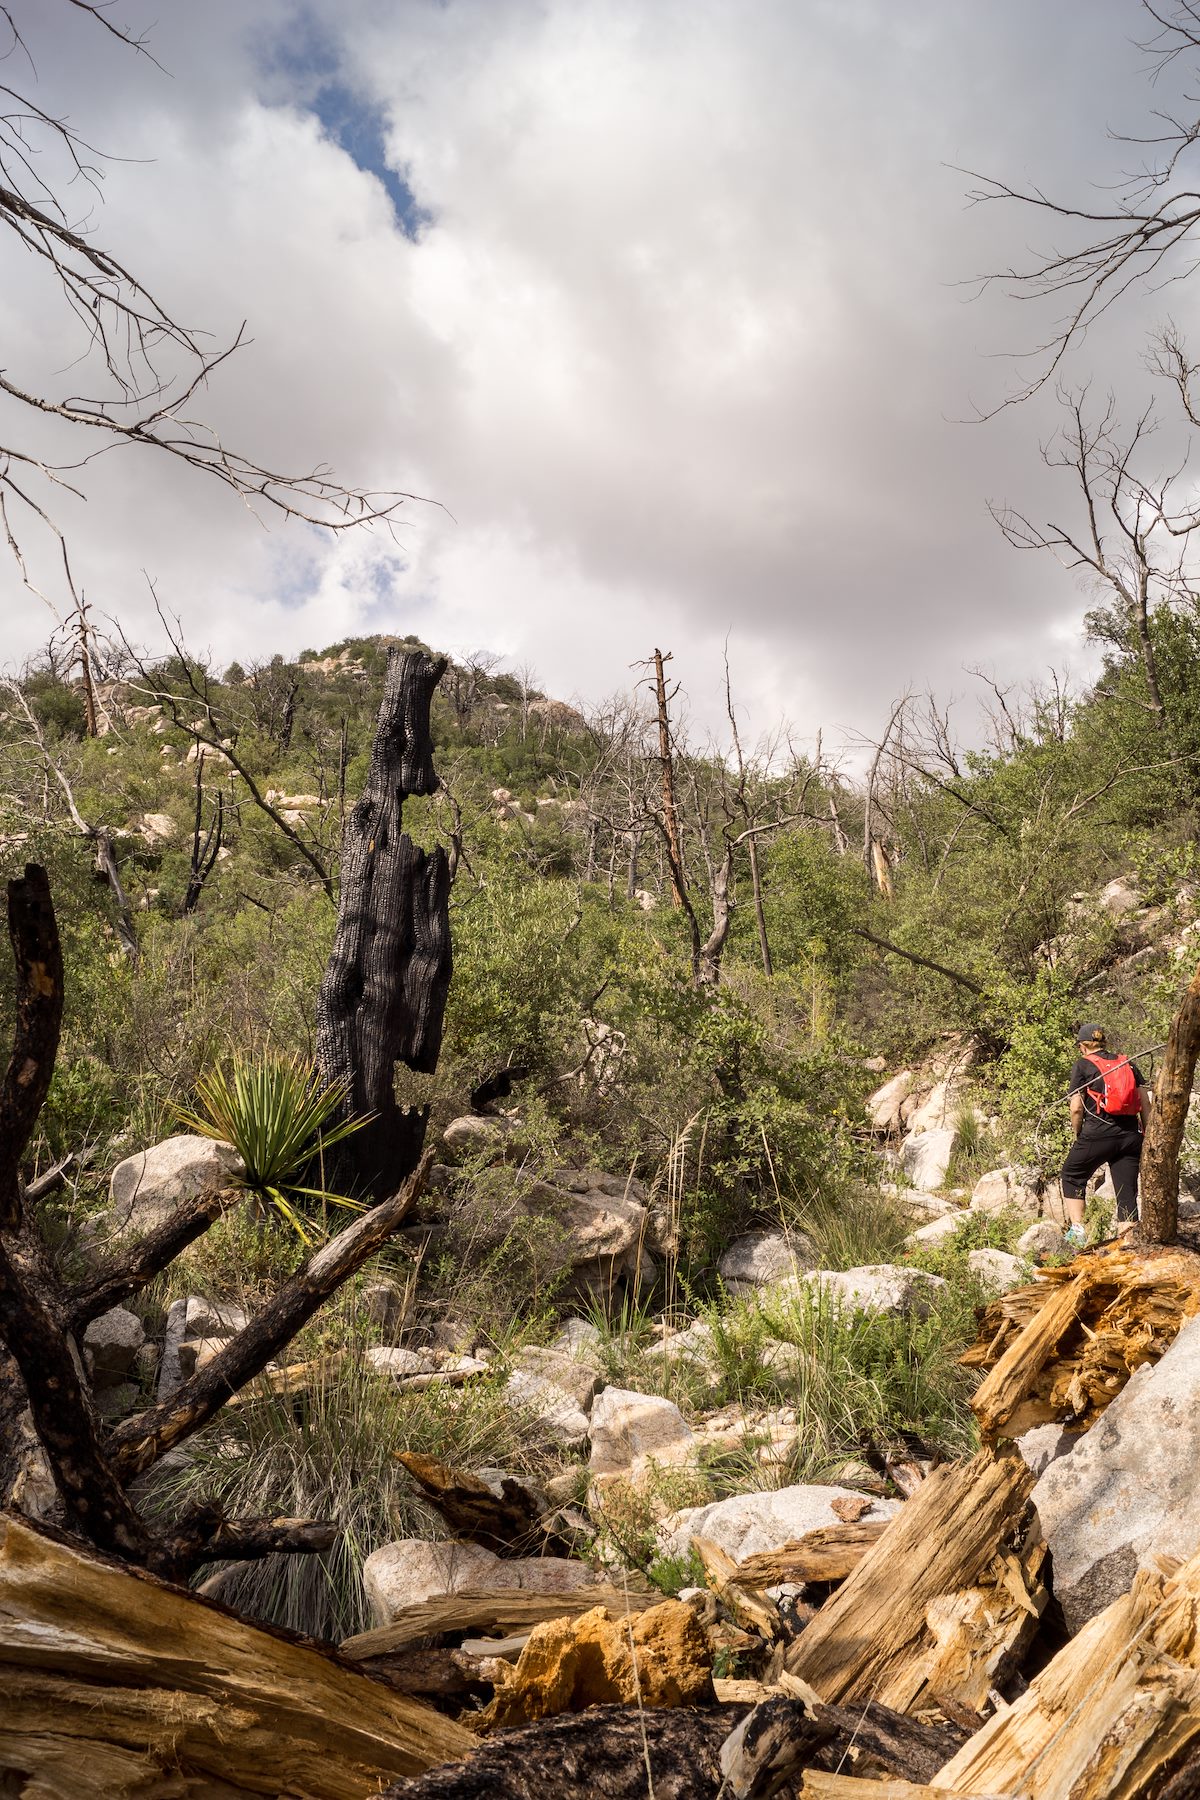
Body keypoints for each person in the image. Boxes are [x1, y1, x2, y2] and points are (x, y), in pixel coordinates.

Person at [1060, 1023, 1152, 1247]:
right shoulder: (1126, 1062)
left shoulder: (1083, 1065)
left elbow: (1076, 1108)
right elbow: (1145, 1103)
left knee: (1072, 1174)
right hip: (1131, 1136)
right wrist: (1147, 1135)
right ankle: (1129, 1245)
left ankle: (1079, 1234)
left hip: (1098, 1134)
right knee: (1126, 1192)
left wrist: (1079, 1133)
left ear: (1083, 1046)